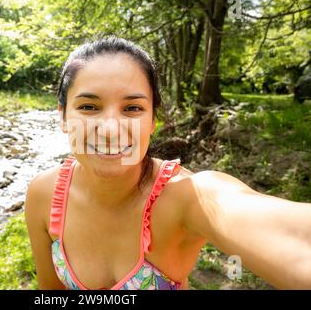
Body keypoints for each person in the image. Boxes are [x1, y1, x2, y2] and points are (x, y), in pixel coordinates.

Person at [24, 36, 311, 290]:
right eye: (88, 107)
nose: (110, 129)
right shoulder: (44, 196)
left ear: (153, 121)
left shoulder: (186, 195)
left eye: (133, 108)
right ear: (63, 116)